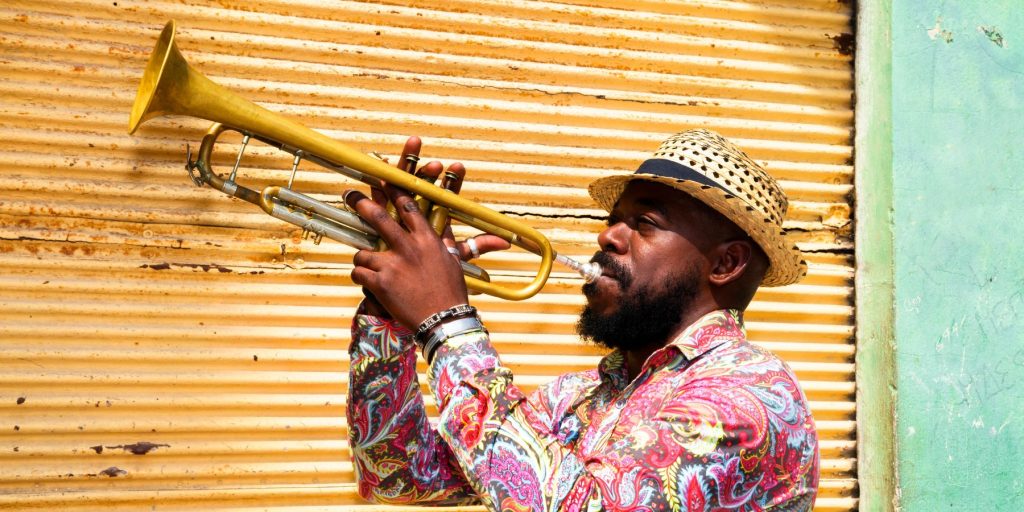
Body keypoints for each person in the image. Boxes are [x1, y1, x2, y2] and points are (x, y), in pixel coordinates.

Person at [343, 129, 819, 510]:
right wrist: (390, 316)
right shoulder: (578, 397)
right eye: (615, 218)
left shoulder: (750, 396)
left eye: (645, 223)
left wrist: (445, 325)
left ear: (724, 265)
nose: (608, 235)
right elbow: (400, 475)